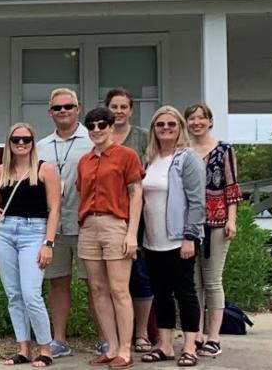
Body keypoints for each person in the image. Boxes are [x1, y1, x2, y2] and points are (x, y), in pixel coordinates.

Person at [0, 123, 62, 368]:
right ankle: (23, 348)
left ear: (33, 142)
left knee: (31, 293)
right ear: (8, 143)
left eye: (26, 139)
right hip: (6, 232)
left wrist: (48, 243)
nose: (21, 144)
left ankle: (46, 349)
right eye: (16, 139)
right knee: (14, 294)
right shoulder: (0, 171)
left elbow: (55, 209)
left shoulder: (44, 170)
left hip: (34, 232)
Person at [76, 106, 144, 370]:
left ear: (111, 126)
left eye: (101, 125)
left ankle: (125, 350)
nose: (96, 130)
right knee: (97, 290)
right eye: (91, 125)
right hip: (88, 225)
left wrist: (131, 233)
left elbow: (136, 193)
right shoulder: (84, 161)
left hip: (115, 224)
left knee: (119, 289)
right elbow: (81, 191)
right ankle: (111, 346)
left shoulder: (127, 155)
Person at [139, 107, 205, 367]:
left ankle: (189, 346)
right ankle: (165, 345)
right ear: (154, 129)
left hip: (179, 239)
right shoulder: (150, 158)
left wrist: (190, 236)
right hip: (152, 240)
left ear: (180, 128)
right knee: (161, 293)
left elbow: (197, 202)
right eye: (160, 125)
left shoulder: (188, 158)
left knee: (185, 292)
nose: (165, 128)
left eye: (171, 124)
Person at [184, 103, 242, 358]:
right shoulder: (183, 151)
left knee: (212, 280)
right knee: (192, 281)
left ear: (209, 121)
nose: (196, 122)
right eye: (191, 118)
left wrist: (232, 219)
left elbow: (231, 186)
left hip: (217, 223)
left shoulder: (223, 150)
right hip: (189, 224)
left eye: (201, 118)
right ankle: (194, 333)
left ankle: (214, 337)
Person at [37, 88, 90, 358]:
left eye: (68, 106)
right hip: (53, 226)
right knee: (57, 281)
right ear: (50, 112)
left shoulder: (92, 140)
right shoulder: (41, 146)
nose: (63, 111)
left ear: (78, 108)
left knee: (96, 282)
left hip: (85, 222)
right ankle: (58, 339)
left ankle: (106, 338)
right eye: (57, 108)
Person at [105, 88, 155, 355]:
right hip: (109, 216)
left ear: (131, 110)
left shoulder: (143, 137)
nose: (119, 111)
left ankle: (142, 333)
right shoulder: (100, 136)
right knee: (111, 281)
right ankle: (112, 338)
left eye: (124, 107)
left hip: (139, 216)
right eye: (114, 106)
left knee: (140, 274)